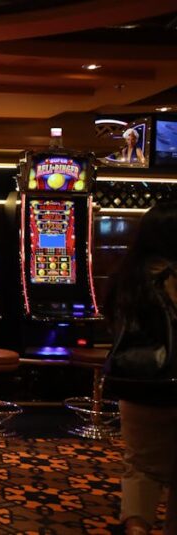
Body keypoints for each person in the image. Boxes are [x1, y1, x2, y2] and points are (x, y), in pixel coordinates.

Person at [106, 202, 177, 535]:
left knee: (140, 467)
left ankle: (136, 528)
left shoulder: (128, 274)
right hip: (174, 379)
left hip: (136, 381)